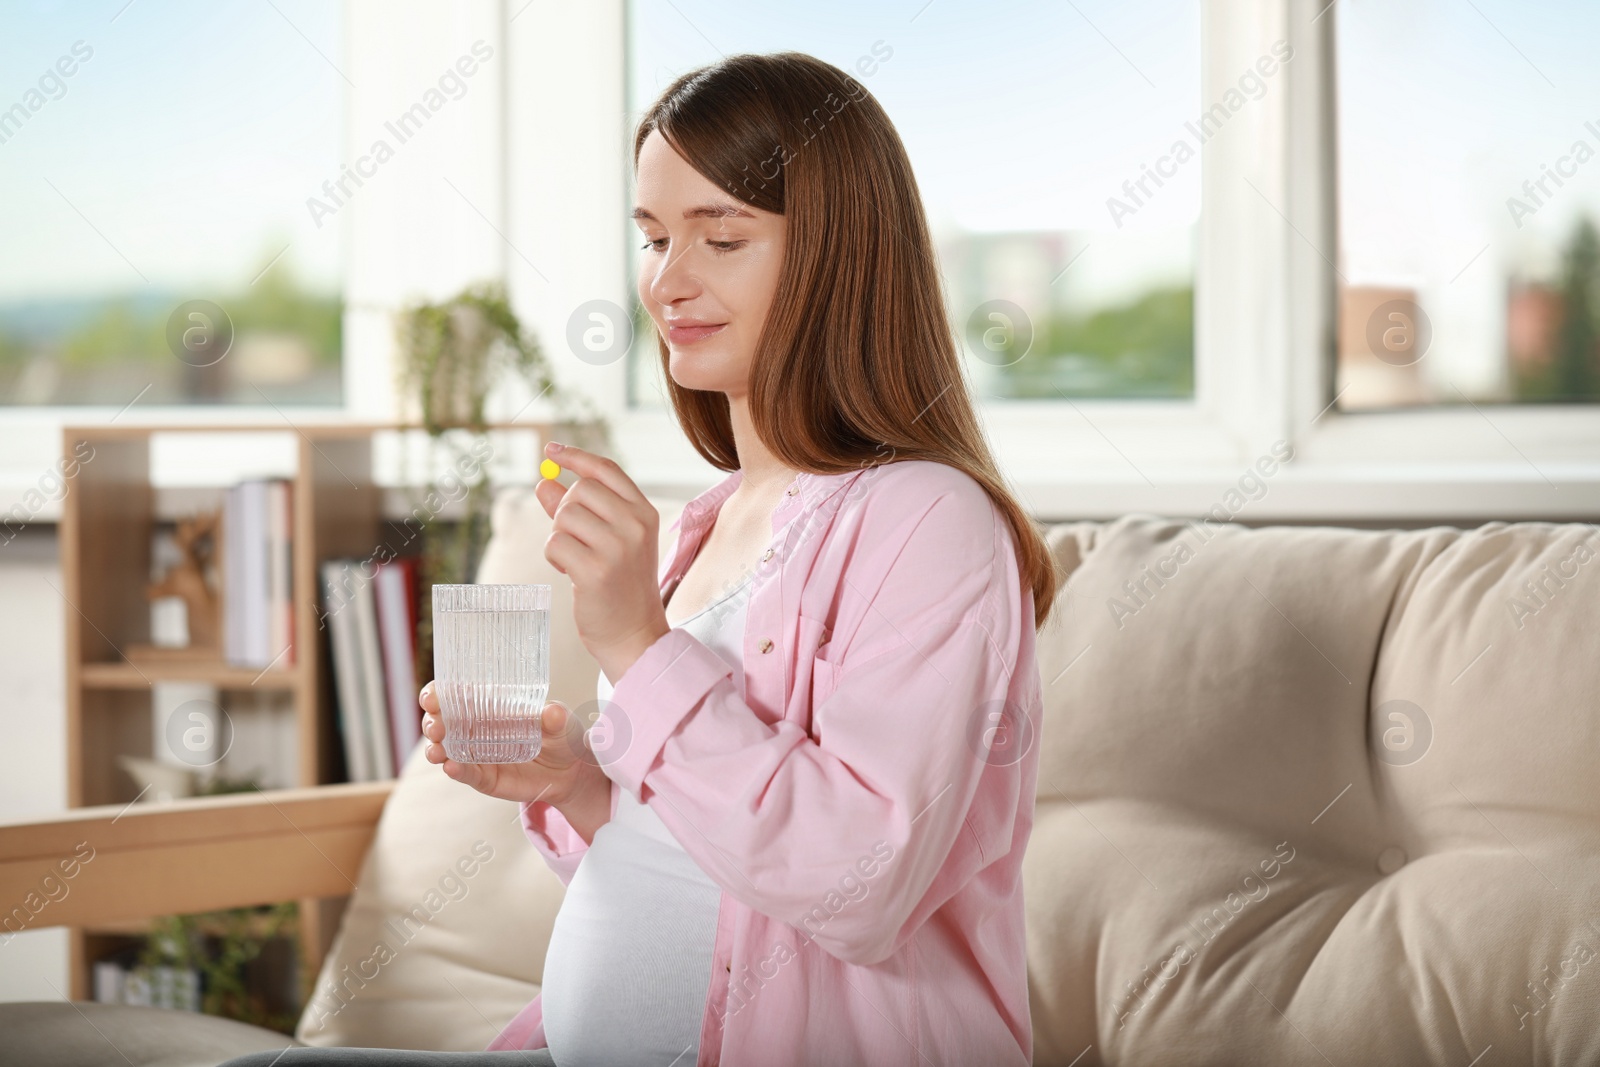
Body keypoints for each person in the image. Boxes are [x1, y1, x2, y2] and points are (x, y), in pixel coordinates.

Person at [221, 49, 1055, 1067]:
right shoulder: (711, 522)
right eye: (655, 237)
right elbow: (704, 868)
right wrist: (577, 780)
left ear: (842, 256)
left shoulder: (928, 520)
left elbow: (860, 879)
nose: (668, 281)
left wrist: (639, 644)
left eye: (722, 236)